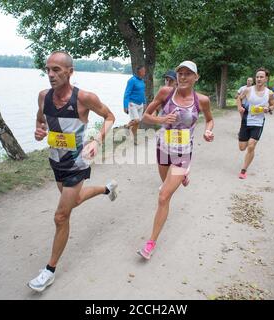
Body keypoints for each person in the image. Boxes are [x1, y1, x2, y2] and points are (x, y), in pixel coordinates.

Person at [28, 51, 118, 292]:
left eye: (56, 70)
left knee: (61, 216)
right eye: (48, 69)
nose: (50, 74)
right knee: (74, 201)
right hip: (56, 162)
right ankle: (106, 189)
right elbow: (40, 121)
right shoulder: (43, 97)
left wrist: (97, 140)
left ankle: (49, 271)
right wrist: (38, 131)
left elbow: (110, 116)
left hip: (78, 163)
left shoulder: (84, 98)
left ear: (69, 72)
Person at [137, 60, 214, 260]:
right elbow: (146, 116)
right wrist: (161, 120)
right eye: (180, 73)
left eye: (188, 73)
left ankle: (150, 243)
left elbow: (210, 119)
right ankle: (181, 178)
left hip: (183, 154)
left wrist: (208, 130)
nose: (183, 76)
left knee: (163, 196)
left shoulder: (202, 100)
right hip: (163, 149)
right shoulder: (165, 93)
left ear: (196, 77)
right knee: (165, 186)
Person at [236, 68, 274, 179]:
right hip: (246, 120)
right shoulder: (248, 90)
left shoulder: (269, 93)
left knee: (251, 146)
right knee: (242, 147)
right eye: (257, 77)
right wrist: (239, 107)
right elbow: (238, 98)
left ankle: (243, 170)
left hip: (258, 122)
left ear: (266, 79)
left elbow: (273, 104)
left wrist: (269, 108)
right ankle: (247, 143)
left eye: (261, 77)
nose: (258, 79)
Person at [123, 66, 146, 144]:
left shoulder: (142, 81)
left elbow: (142, 93)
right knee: (137, 120)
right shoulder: (131, 80)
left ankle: (135, 140)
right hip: (132, 103)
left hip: (141, 104)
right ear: (139, 71)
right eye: (143, 71)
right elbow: (127, 93)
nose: (145, 72)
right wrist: (125, 106)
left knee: (137, 123)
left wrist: (145, 102)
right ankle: (127, 126)